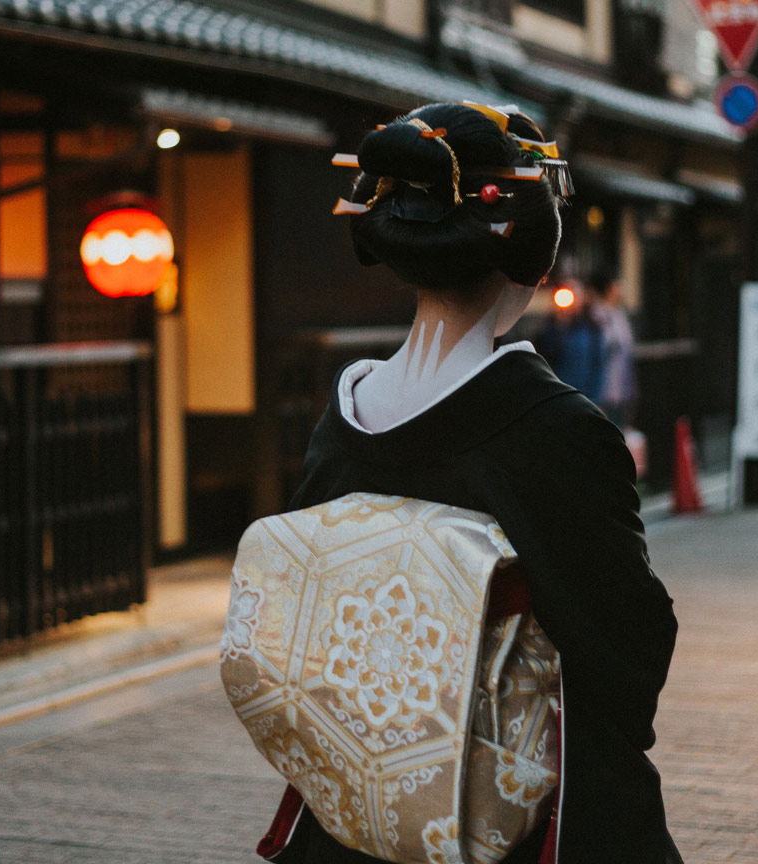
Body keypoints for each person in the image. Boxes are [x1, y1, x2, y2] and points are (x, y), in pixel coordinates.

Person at [266, 103, 681, 863]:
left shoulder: (346, 411)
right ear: (534, 255)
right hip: (510, 806)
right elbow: (625, 644)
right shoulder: (558, 429)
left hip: (364, 793)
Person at [535, 280, 606, 405]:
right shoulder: (550, 327)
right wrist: (559, 324)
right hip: (556, 397)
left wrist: (595, 399)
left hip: (584, 398)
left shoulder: (591, 328)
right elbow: (545, 356)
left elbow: (598, 365)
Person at [590, 271, 637, 430]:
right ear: (609, 287)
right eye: (618, 284)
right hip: (601, 390)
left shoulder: (619, 315)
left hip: (622, 389)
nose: (622, 288)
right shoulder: (594, 315)